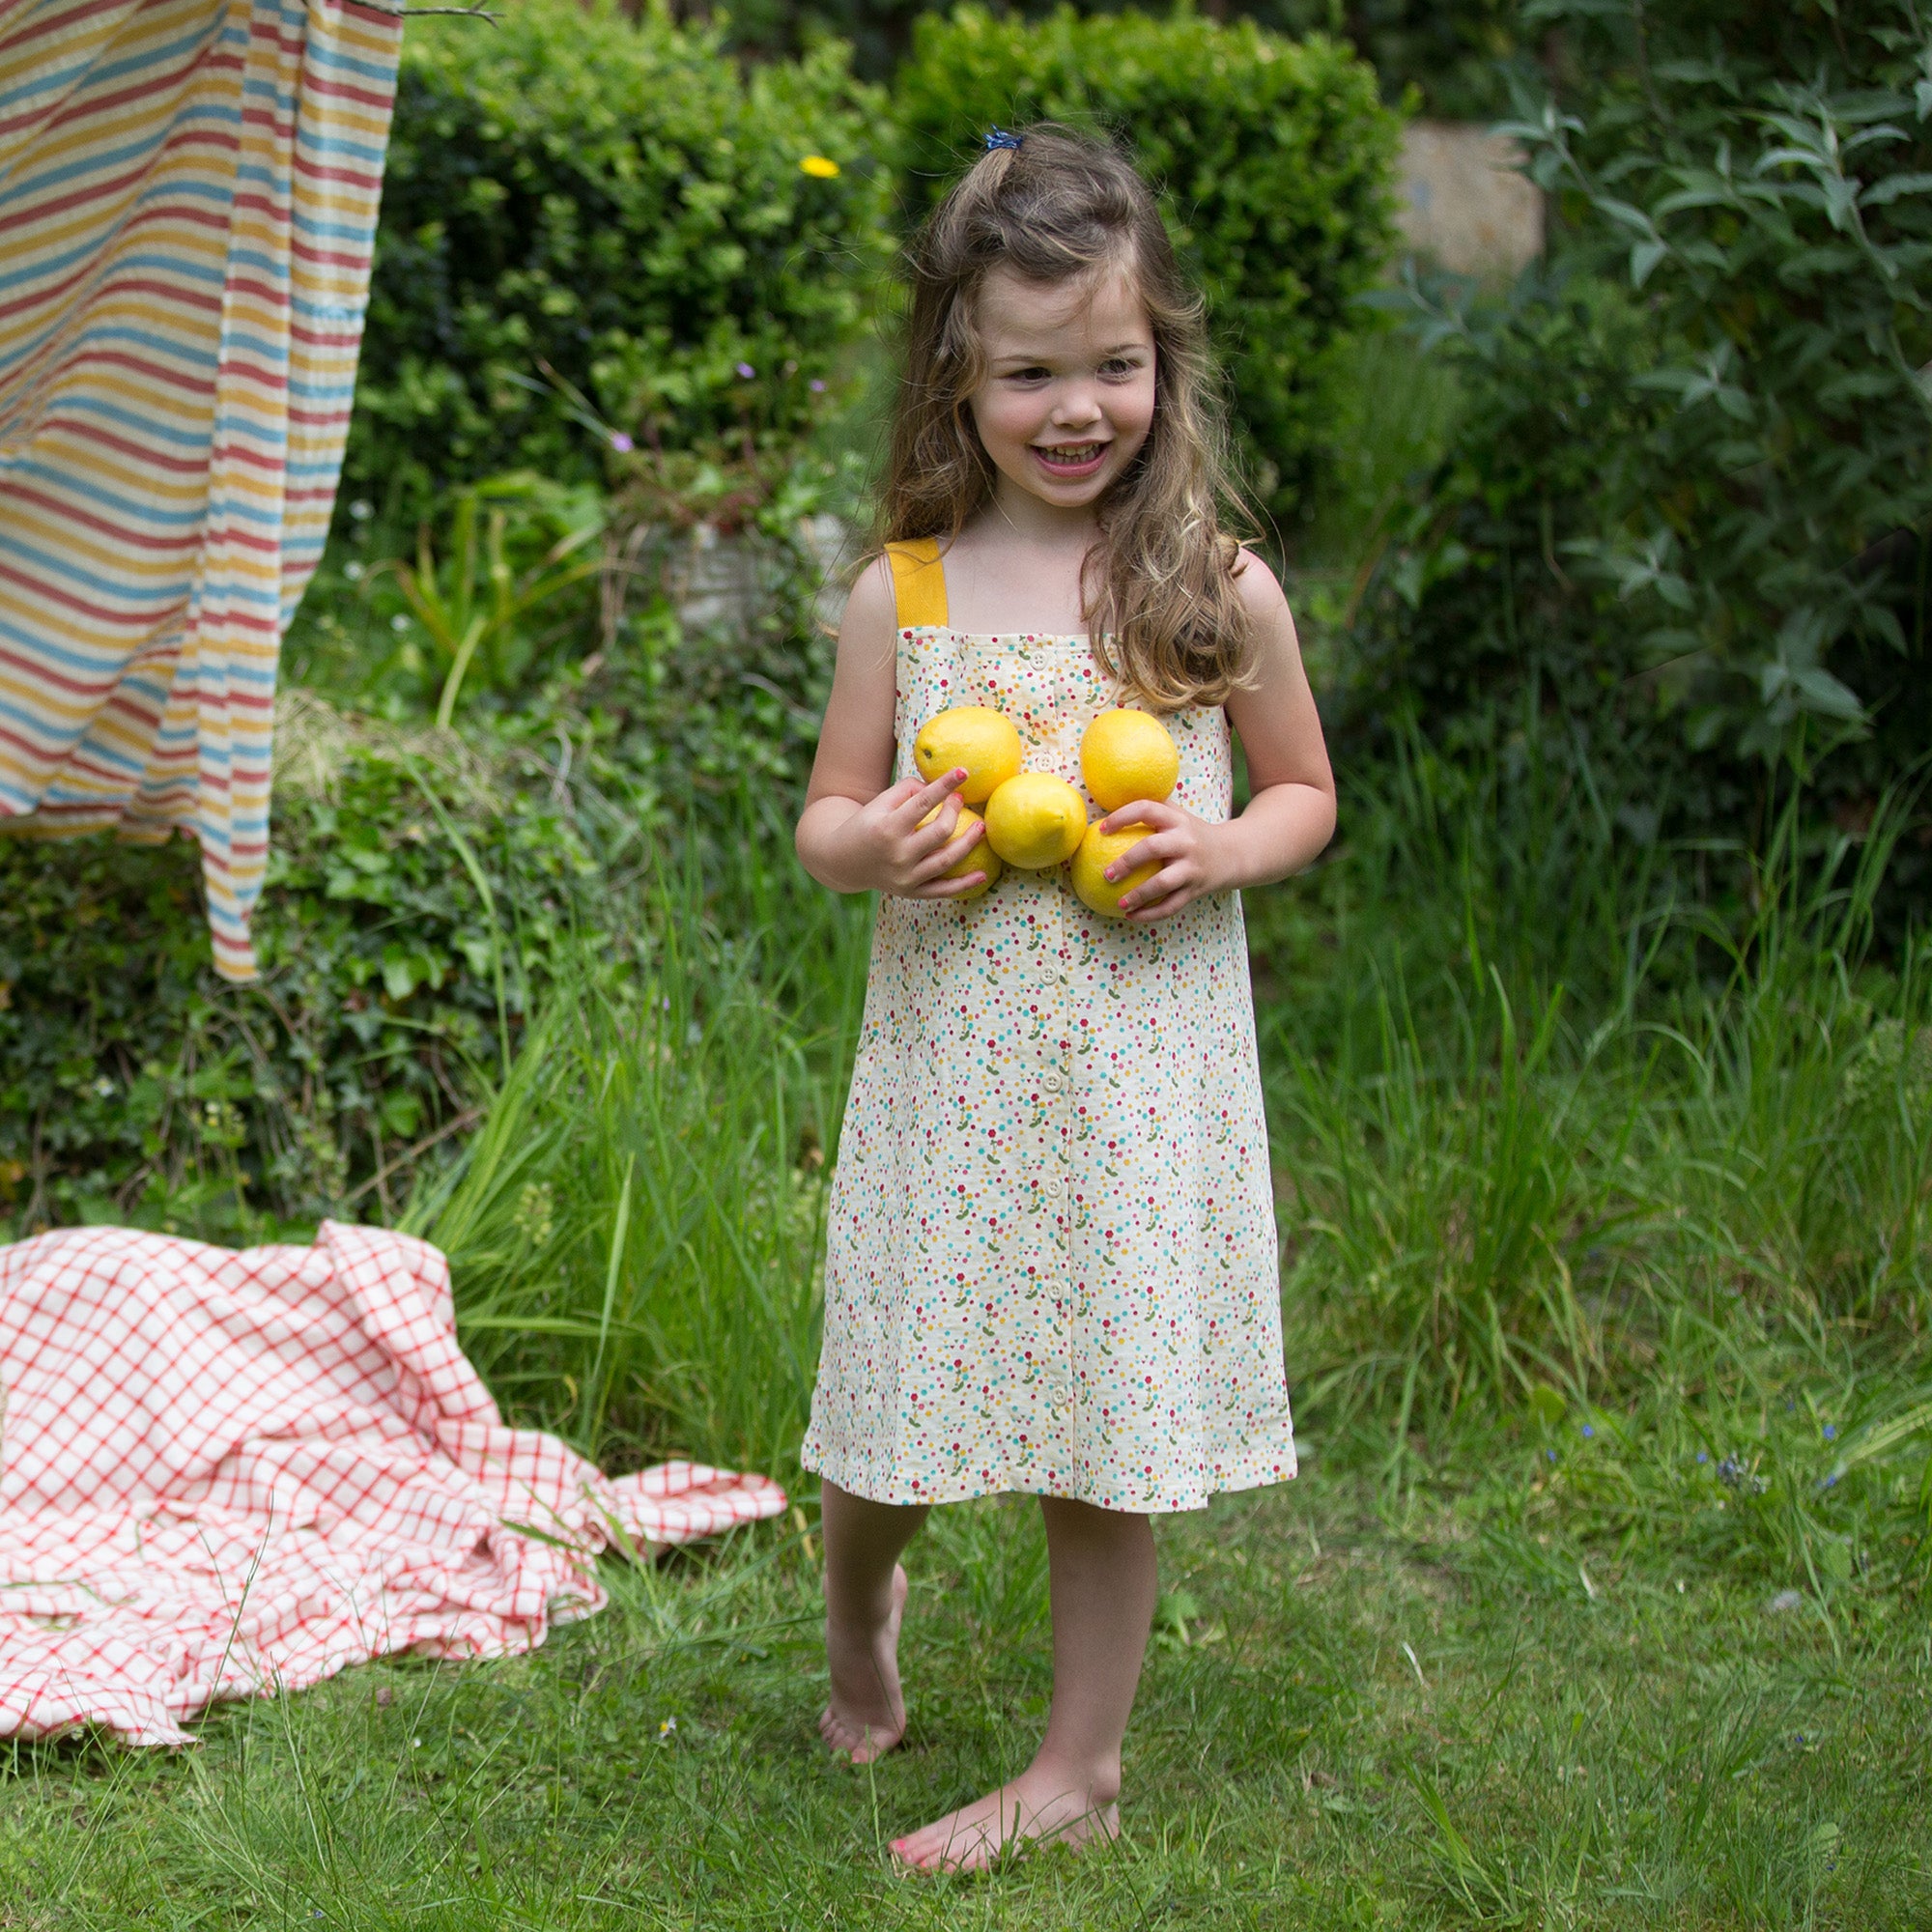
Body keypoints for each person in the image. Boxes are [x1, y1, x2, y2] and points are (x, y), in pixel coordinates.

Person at [793, 124, 1337, 1873]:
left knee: (1107, 1418)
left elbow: (1304, 794)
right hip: (952, 1085)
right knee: (890, 1403)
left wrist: (1222, 850)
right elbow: (824, 819)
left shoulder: (1213, 590)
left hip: (1134, 1092)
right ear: (960, 375)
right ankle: (860, 1612)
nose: (1077, 407)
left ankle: (1077, 1768)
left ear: (1165, 358)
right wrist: (876, 845)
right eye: (1031, 372)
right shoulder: (907, 593)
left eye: (1114, 363)